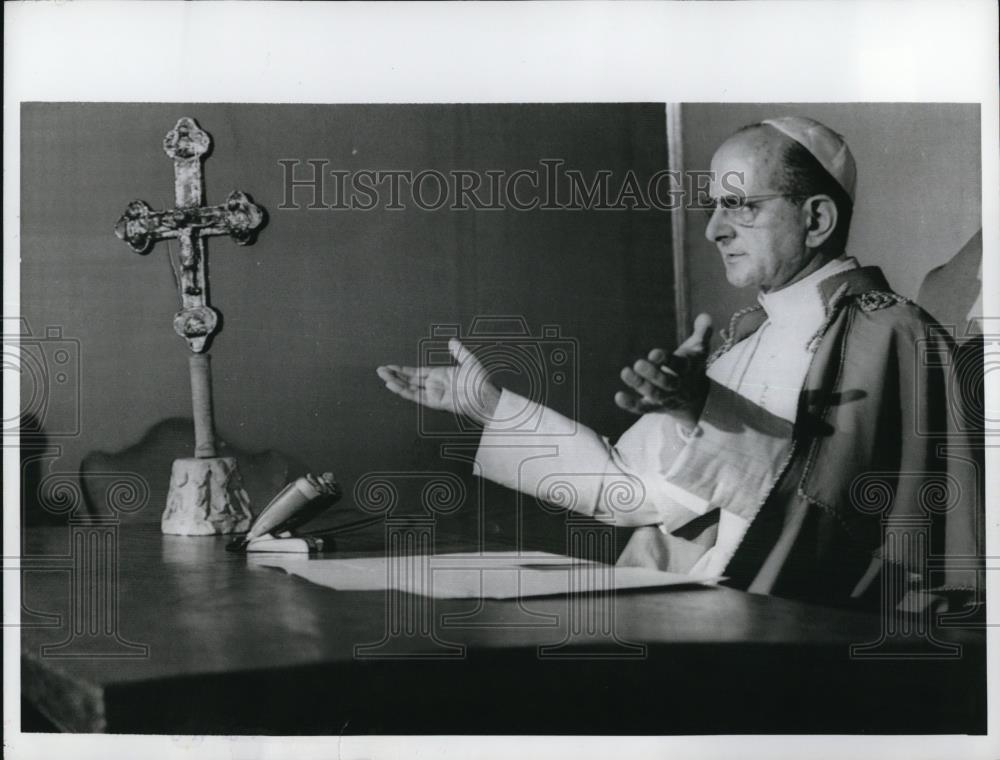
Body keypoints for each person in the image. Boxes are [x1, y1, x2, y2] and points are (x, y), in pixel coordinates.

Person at [377, 116, 981, 612]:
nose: (715, 229)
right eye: (715, 205)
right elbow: (631, 495)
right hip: (703, 616)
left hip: (805, 638)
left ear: (816, 218)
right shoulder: (743, 341)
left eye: (740, 205)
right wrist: (490, 406)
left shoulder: (888, 333)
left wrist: (703, 413)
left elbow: (834, 526)